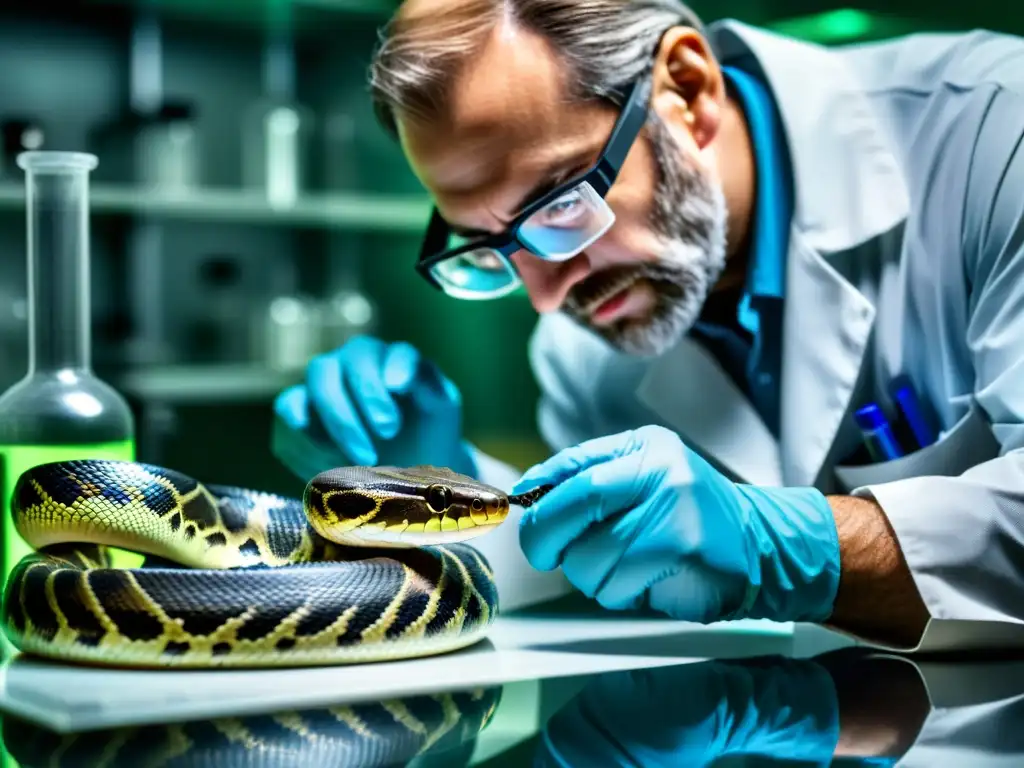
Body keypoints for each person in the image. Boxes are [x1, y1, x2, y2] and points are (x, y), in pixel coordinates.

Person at [271, 0, 1024, 653]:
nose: (543, 297)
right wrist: (440, 492)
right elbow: (615, 564)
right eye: (488, 246)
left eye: (559, 206)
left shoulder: (995, 132)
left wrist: (800, 546)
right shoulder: (585, 343)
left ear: (688, 92)